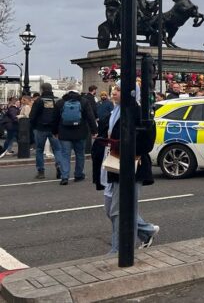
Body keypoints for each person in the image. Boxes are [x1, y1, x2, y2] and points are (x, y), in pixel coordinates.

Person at [102, 86, 160, 253]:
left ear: (131, 92)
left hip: (131, 166)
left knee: (119, 211)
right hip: (113, 165)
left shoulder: (138, 112)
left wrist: (122, 145)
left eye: (120, 89)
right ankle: (146, 231)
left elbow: (146, 142)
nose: (114, 92)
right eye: (113, 89)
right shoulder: (115, 112)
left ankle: (119, 252)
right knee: (111, 209)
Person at [52, 83, 98, 185]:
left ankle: (64, 177)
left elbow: (55, 119)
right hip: (80, 132)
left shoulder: (60, 102)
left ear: (67, 91)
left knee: (65, 155)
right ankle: (78, 175)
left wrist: (55, 132)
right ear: (78, 90)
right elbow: (90, 118)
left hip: (64, 133)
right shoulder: (84, 102)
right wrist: (94, 131)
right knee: (80, 154)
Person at [30, 83, 62, 179]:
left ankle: (41, 171)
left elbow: (33, 115)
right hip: (54, 129)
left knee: (39, 150)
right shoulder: (57, 100)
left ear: (42, 90)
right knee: (57, 149)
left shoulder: (39, 101)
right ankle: (59, 166)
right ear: (51, 89)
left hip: (40, 128)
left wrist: (33, 126)